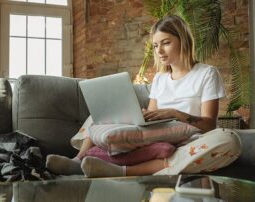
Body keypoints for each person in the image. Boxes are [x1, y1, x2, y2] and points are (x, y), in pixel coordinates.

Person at [46, 15, 241, 177]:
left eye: (165, 43)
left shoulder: (207, 73)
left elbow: (209, 125)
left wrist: (175, 113)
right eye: (156, 46)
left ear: (183, 40)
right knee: (102, 116)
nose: (159, 51)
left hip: (189, 139)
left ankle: (122, 171)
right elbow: (153, 116)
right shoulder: (160, 78)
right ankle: (77, 161)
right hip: (156, 136)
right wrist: (141, 116)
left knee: (230, 140)